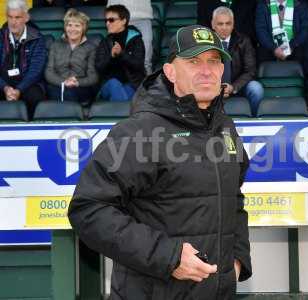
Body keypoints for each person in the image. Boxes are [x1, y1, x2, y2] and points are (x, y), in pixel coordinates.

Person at [68, 24, 252, 299]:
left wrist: (237, 260)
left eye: (214, 61)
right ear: (170, 71)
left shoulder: (225, 128)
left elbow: (233, 199)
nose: (207, 70)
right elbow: (88, 210)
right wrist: (169, 257)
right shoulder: (139, 131)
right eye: (193, 61)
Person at [211, 6, 264, 116]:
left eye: (228, 23)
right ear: (213, 25)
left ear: (233, 24)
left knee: (256, 88)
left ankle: (253, 118)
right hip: (213, 87)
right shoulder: (206, 43)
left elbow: (250, 71)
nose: (224, 27)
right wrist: (217, 87)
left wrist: (233, 87)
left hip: (238, 86)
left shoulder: (243, 41)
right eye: (220, 24)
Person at [0, 0, 47, 120]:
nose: (13, 22)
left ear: (26, 18)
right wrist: (5, 87)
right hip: (4, 83)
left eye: (17, 17)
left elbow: (36, 70)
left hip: (28, 83)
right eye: (10, 17)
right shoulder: (1, 36)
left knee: (35, 96)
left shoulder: (37, 38)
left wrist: (19, 90)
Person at [45, 9, 98, 104]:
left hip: (81, 87)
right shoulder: (55, 45)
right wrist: (63, 82)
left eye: (77, 26)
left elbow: (93, 76)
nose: (72, 29)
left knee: (70, 94)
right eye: (69, 25)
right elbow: (49, 72)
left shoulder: (91, 47)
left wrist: (78, 82)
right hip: (58, 85)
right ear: (65, 27)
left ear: (84, 28)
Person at [95, 4, 146, 102]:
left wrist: (121, 54)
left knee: (122, 95)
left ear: (124, 21)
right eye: (106, 21)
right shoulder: (105, 42)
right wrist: (111, 56)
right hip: (108, 85)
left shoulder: (136, 40)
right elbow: (99, 67)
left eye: (111, 20)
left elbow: (138, 65)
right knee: (114, 84)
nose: (107, 24)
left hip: (132, 84)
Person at [107, 0, 153, 74]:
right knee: (117, 60)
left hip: (143, 17)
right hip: (117, 16)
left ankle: (146, 85)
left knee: (145, 61)